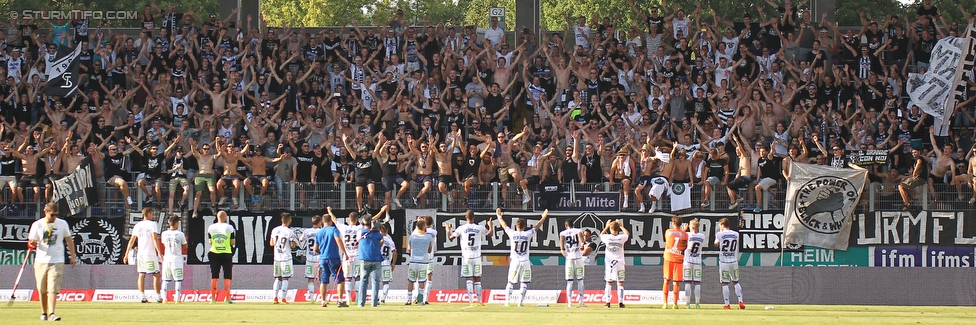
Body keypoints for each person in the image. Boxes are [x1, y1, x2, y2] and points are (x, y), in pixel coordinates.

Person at [27, 202, 77, 321]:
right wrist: (32, 243)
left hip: (57, 260)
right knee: (41, 289)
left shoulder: (62, 224)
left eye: (56, 215)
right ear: (46, 212)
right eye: (52, 215)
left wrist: (72, 256)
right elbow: (31, 242)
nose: (54, 217)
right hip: (41, 260)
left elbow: (69, 240)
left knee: (53, 288)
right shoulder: (37, 225)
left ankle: (52, 313)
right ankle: (44, 312)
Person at [336, 205, 389, 307]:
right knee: (371, 281)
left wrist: (329, 211)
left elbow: (334, 220)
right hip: (371, 258)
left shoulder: (359, 231)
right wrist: (382, 210)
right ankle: (373, 303)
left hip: (359, 258)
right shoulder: (377, 233)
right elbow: (380, 240)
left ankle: (357, 302)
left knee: (356, 280)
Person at [498, 208, 550, 307]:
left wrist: (499, 216)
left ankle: (507, 302)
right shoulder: (528, 234)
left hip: (515, 261)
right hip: (525, 261)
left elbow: (504, 225)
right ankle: (520, 303)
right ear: (525, 226)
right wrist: (544, 217)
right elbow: (537, 226)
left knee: (510, 282)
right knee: (524, 283)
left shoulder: (512, 233)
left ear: (516, 226)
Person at [445, 209, 494, 306]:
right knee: (477, 279)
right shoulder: (479, 227)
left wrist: (448, 230)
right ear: (474, 217)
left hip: (466, 257)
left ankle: (471, 301)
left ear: (465, 217)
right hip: (477, 257)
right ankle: (480, 301)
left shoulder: (461, 228)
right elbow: (490, 234)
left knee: (469, 279)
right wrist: (490, 225)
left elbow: (451, 238)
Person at [123, 207, 165, 303]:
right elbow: (154, 238)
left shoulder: (138, 225)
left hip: (140, 253)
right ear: (149, 214)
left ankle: (142, 296)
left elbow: (131, 241)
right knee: (156, 274)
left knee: (142, 274)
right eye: (152, 213)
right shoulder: (152, 224)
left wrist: (126, 254)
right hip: (149, 253)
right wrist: (159, 252)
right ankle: (158, 297)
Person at [314, 206, 350, 308]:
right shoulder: (334, 229)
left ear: (322, 221)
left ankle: (323, 301)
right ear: (331, 220)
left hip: (323, 259)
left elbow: (315, 248)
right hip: (333, 258)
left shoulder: (319, 232)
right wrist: (344, 253)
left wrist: (322, 253)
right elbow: (338, 240)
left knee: (323, 281)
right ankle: (339, 300)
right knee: (340, 279)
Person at [715, 217, 745, 309]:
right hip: (734, 261)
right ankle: (741, 302)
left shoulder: (719, 234)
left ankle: (727, 304)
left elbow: (716, 244)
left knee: (725, 283)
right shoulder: (736, 234)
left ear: (722, 225)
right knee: (736, 282)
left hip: (724, 261)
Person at [208, 210, 236, 304]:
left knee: (214, 276)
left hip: (214, 253)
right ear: (225, 217)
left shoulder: (211, 227)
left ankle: (213, 299)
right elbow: (232, 242)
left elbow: (210, 241)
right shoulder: (229, 227)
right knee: (227, 276)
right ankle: (227, 298)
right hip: (226, 253)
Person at [270, 212, 298, 304]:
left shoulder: (275, 230)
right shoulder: (290, 232)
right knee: (285, 278)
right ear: (289, 220)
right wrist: (295, 244)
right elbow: (292, 245)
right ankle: (283, 298)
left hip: (277, 257)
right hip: (286, 258)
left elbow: (271, 243)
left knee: (278, 278)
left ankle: (275, 298)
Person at [601, 219, 629, 308]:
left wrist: (606, 227)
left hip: (610, 263)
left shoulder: (607, 237)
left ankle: (607, 302)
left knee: (608, 282)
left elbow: (601, 235)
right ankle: (620, 302)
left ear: (610, 229)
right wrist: (621, 226)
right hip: (620, 262)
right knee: (620, 282)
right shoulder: (622, 238)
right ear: (618, 229)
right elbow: (627, 233)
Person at [405, 217, 434, 305]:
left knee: (410, 280)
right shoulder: (428, 237)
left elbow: (409, 249)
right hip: (423, 262)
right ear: (424, 226)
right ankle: (420, 300)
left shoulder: (412, 237)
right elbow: (429, 250)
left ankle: (409, 299)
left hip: (413, 261)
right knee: (422, 281)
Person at [358, 218, 385, 307]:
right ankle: (374, 303)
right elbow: (381, 243)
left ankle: (361, 303)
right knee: (375, 282)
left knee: (363, 281)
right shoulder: (378, 234)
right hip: (376, 260)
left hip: (364, 259)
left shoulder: (361, 232)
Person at [160, 215, 187, 303]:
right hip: (177, 258)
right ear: (176, 223)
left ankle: (164, 299)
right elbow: (185, 246)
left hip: (167, 258)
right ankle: (177, 299)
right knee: (178, 279)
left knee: (165, 279)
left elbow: (164, 244)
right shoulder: (180, 234)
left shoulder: (164, 234)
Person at [662, 216, 688, 309]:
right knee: (676, 282)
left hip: (668, 257)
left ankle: (665, 303)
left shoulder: (668, 232)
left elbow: (668, 241)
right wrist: (683, 231)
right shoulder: (685, 234)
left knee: (666, 280)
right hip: (678, 259)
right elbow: (685, 245)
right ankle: (675, 304)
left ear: (673, 223)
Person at [559, 220, 585, 308]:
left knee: (569, 281)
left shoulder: (563, 233)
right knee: (580, 280)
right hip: (578, 257)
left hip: (569, 257)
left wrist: (562, 250)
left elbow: (562, 241)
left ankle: (569, 302)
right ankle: (581, 302)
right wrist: (582, 244)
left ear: (566, 225)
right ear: (573, 225)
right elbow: (580, 238)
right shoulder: (578, 230)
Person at [298, 215, 323, 303]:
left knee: (310, 278)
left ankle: (312, 299)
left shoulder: (307, 231)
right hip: (319, 258)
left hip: (309, 258)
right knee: (321, 278)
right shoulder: (321, 231)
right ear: (320, 222)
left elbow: (300, 240)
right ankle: (323, 298)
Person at [683, 219, 706, 309]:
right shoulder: (702, 236)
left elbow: (680, 235)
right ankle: (697, 304)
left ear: (691, 226)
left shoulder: (687, 235)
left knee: (687, 282)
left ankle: (687, 304)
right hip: (697, 261)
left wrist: (684, 229)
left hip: (688, 261)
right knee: (697, 283)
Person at [378, 223, 398, 304]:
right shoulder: (390, 240)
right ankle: (383, 299)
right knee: (386, 282)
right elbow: (395, 253)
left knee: (376, 281)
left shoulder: (376, 239)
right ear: (387, 231)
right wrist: (393, 263)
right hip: (386, 262)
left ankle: (376, 298)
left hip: (377, 262)